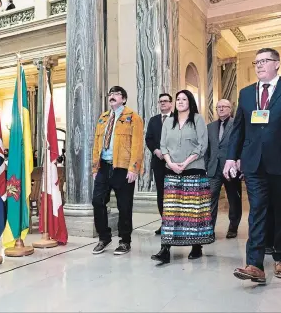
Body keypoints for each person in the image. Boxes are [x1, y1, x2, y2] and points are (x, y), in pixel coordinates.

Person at [224, 47, 281, 283]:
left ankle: (280, 257)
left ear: (277, 64)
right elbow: (238, 129)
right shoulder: (246, 94)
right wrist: (230, 158)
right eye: (256, 62)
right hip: (254, 163)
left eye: (264, 61)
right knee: (256, 210)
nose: (259, 65)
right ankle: (254, 264)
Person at [151, 90, 214, 264]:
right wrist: (170, 163)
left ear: (190, 102)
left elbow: (202, 145)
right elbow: (163, 145)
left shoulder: (198, 120)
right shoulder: (168, 121)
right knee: (170, 211)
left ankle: (196, 246)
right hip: (171, 170)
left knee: (192, 211)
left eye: (183, 99)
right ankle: (165, 249)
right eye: (178, 99)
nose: (180, 101)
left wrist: (185, 163)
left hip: (193, 169)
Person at [91, 86, 144, 255]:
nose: (112, 96)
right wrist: (95, 167)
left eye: (116, 94)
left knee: (124, 205)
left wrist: (134, 168)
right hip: (104, 166)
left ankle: (125, 241)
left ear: (124, 99)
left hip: (123, 167)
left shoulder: (133, 117)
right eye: (110, 94)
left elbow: (137, 145)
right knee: (97, 201)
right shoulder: (103, 118)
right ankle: (104, 237)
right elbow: (96, 144)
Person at [205, 99, 242, 238]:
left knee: (233, 199)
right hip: (213, 169)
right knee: (211, 198)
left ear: (230, 109)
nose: (220, 109)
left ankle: (233, 226)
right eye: (218, 107)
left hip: (231, 169)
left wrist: (239, 161)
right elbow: (207, 149)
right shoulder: (210, 127)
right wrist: (206, 166)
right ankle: (209, 230)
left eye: (224, 106)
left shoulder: (237, 124)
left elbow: (241, 144)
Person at [145, 93, 173, 235]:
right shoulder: (153, 120)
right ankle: (164, 223)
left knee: (173, 193)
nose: (162, 103)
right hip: (158, 162)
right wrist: (156, 150)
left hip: (174, 163)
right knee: (161, 193)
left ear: (171, 103)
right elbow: (148, 138)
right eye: (160, 101)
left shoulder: (177, 119)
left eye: (165, 101)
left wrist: (168, 153)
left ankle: (174, 224)